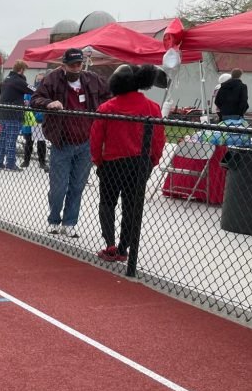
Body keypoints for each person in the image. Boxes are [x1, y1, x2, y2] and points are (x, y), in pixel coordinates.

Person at [32, 48, 111, 238]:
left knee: (77, 186)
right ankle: (53, 219)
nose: (76, 68)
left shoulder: (92, 79)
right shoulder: (52, 79)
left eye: (79, 64)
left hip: (85, 142)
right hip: (62, 141)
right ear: (63, 65)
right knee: (58, 187)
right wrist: (48, 103)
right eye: (72, 65)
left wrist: (102, 110)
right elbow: (35, 99)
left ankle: (69, 223)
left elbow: (108, 96)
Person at [90, 64, 166, 263]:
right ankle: (124, 248)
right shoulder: (152, 107)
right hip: (140, 162)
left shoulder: (107, 107)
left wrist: (98, 161)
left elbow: (96, 138)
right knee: (132, 207)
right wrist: (153, 160)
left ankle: (110, 244)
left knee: (107, 203)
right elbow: (159, 138)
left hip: (112, 162)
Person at [0, 60, 35, 170]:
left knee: (3, 139)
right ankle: (10, 164)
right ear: (21, 70)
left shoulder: (6, 80)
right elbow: (34, 90)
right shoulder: (18, 81)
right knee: (11, 140)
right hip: (14, 114)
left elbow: (11, 95)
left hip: (4, 114)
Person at [20, 72, 48, 170]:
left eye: (41, 80)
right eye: (37, 80)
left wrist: (39, 117)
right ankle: (26, 161)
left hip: (39, 120)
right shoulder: (29, 91)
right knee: (29, 142)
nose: (38, 82)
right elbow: (25, 104)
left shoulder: (45, 92)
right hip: (29, 119)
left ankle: (42, 162)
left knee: (41, 142)